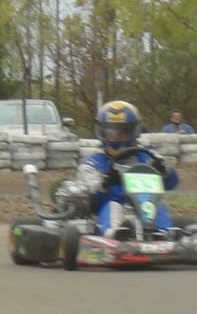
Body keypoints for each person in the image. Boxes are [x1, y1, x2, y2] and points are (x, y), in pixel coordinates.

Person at [57, 100, 180, 240]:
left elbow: (172, 183)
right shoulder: (93, 162)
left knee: (158, 205)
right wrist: (105, 182)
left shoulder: (147, 157)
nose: (116, 137)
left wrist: (164, 172)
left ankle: (163, 234)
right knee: (112, 206)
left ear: (134, 131)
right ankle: (114, 234)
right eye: (111, 132)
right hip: (108, 207)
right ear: (102, 132)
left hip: (144, 205)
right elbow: (89, 191)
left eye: (122, 132)